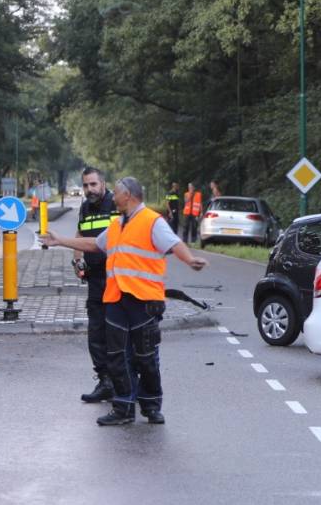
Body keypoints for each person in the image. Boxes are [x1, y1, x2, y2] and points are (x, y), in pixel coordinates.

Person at [42, 177, 208, 425]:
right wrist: (60, 241)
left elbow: (174, 244)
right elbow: (93, 244)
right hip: (117, 299)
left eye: (117, 193)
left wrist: (190, 260)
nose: (113, 196)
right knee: (118, 356)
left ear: (128, 195)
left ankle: (151, 406)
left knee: (146, 356)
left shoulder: (152, 221)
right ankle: (123, 408)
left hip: (144, 301)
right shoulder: (118, 224)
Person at [74, 167, 119, 403]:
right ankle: (105, 381)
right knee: (96, 332)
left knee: (118, 332)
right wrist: (77, 259)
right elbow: (80, 235)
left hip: (118, 279)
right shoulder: (85, 207)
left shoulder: (117, 205)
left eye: (93, 184)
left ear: (103, 184)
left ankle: (125, 382)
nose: (89, 189)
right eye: (85, 185)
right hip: (95, 278)